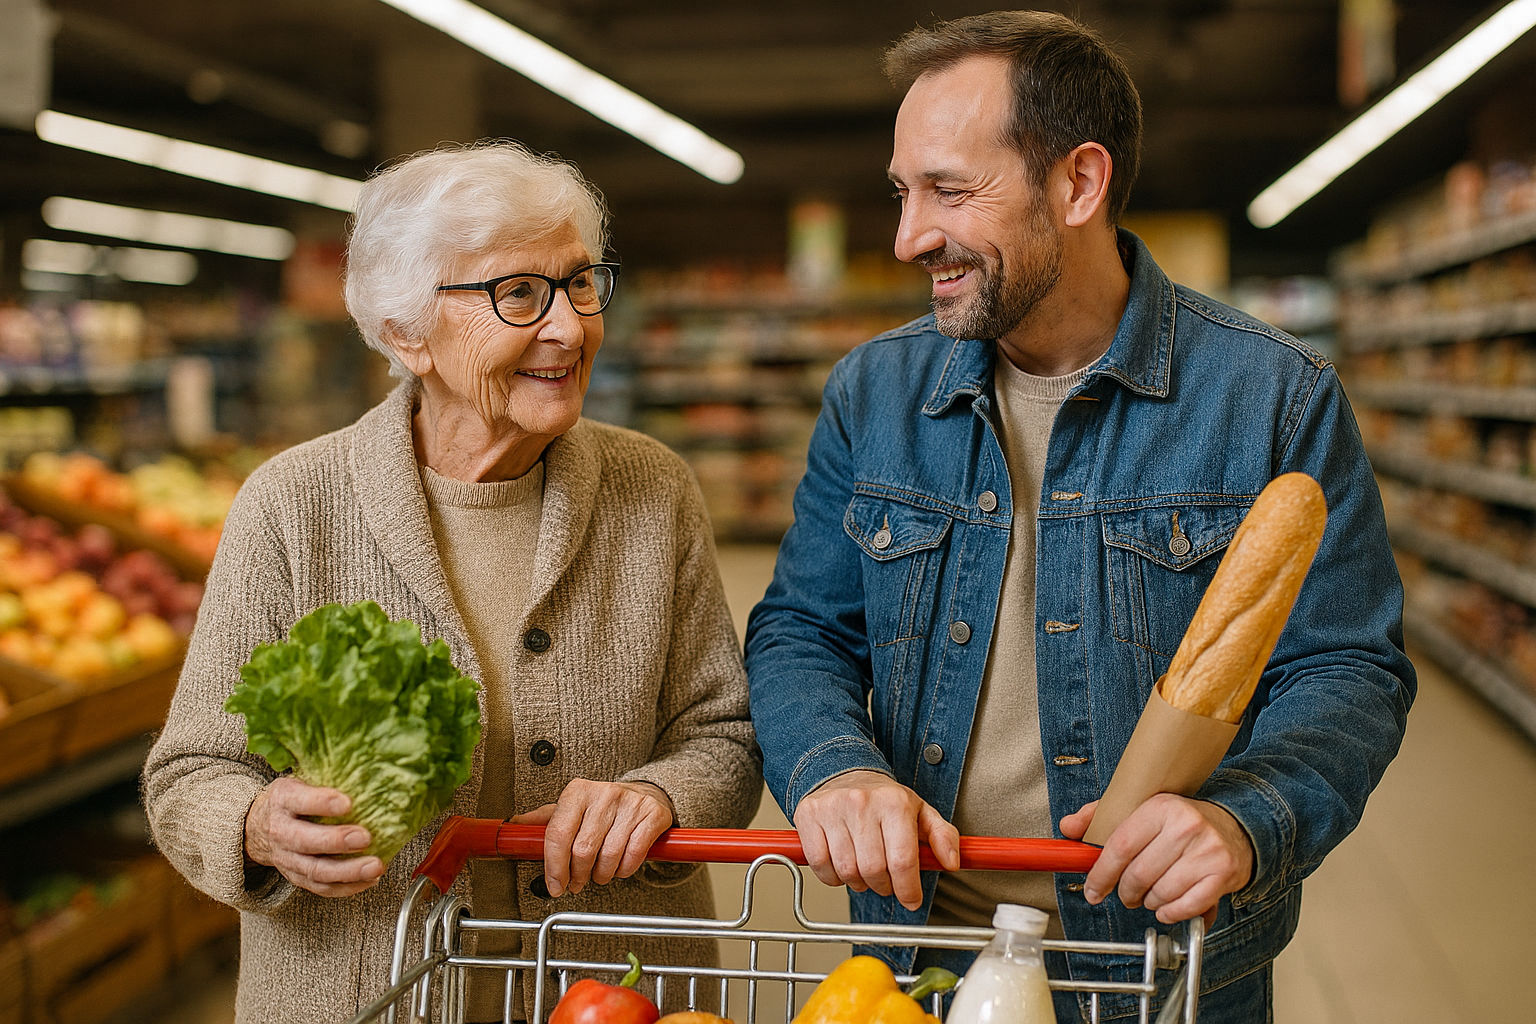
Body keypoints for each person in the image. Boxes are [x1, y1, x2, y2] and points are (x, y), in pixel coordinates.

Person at [744, 11, 1414, 1022]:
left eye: (949, 191)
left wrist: (1246, 820)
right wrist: (834, 771)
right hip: (917, 965)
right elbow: (803, 631)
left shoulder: (1272, 397)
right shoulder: (873, 394)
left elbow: (1348, 666)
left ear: (1079, 183)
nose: (908, 236)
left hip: (1164, 966)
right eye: (903, 191)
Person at [143, 140, 762, 1024]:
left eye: (580, 284)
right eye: (520, 294)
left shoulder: (652, 490)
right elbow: (189, 773)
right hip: (360, 995)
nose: (569, 327)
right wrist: (254, 824)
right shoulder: (293, 505)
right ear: (406, 333)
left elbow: (722, 736)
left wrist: (659, 797)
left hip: (615, 992)